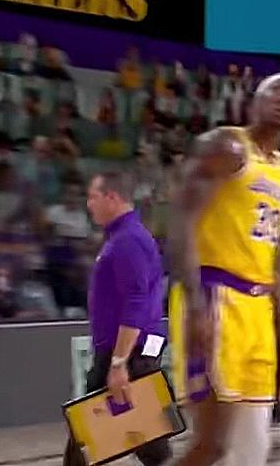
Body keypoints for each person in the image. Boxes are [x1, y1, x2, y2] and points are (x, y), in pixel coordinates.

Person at [166, 73, 280, 466]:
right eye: (275, 90)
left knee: (253, 448)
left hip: (259, 309)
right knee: (212, 444)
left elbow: (276, 262)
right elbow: (181, 221)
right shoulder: (224, 146)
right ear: (253, 102)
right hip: (216, 295)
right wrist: (196, 305)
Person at [64, 171, 170, 466]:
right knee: (146, 445)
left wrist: (119, 363)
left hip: (128, 354)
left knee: (88, 439)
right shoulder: (122, 238)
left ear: (112, 197)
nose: (89, 204)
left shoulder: (129, 241)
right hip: (125, 352)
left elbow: (135, 302)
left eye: (93, 197)